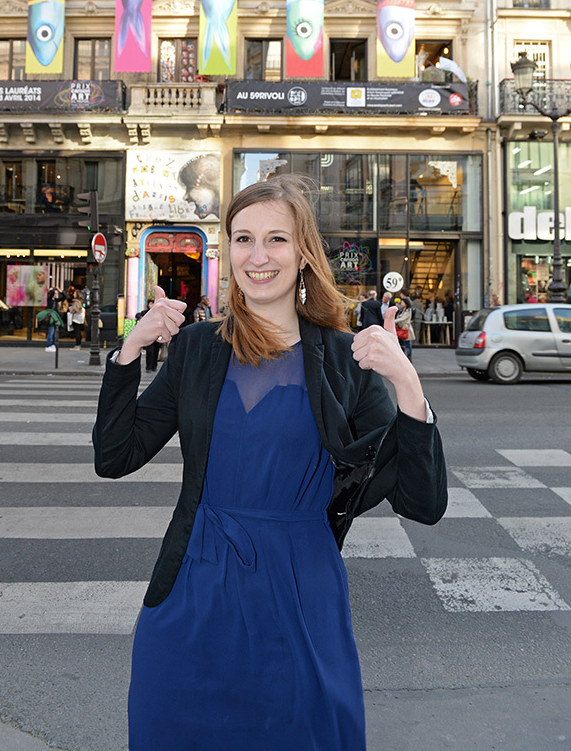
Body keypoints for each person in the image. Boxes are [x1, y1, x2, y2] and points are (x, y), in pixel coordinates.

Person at [93, 175, 447, 751]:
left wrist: (408, 385)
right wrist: (129, 351)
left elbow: (424, 504)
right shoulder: (196, 348)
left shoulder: (346, 359)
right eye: (243, 239)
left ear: (304, 252)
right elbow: (114, 456)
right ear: (227, 250)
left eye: (277, 240)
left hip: (300, 593)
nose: (259, 257)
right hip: (193, 590)